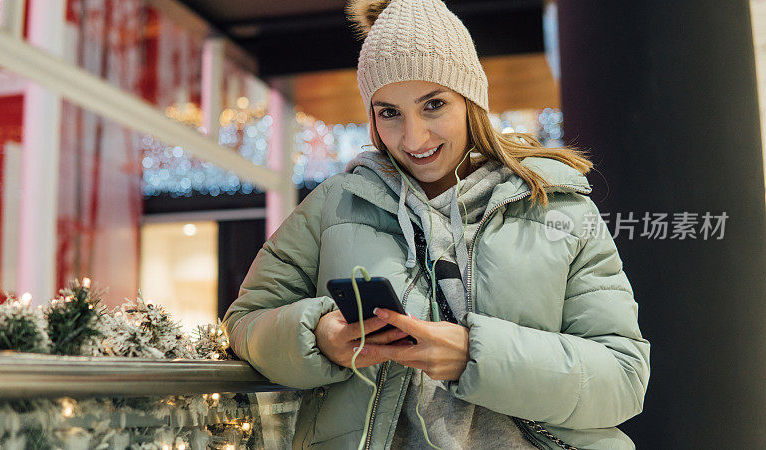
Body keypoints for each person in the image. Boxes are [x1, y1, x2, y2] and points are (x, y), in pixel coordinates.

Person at [222, 0, 650, 448]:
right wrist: (314, 336)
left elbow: (622, 379)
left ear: (471, 100)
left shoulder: (556, 205)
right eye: (389, 112)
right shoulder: (334, 205)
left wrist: (475, 356)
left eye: (433, 105)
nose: (413, 138)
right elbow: (246, 322)